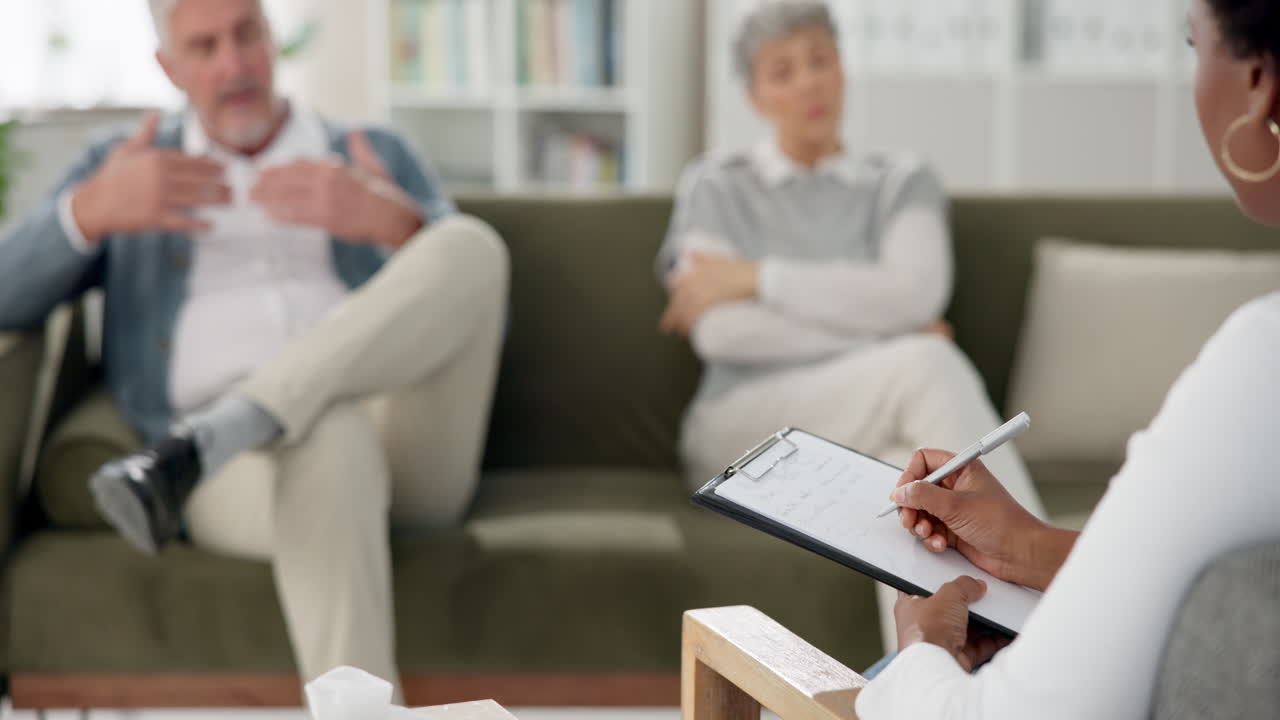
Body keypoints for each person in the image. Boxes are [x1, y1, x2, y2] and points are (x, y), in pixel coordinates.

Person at [0, 0, 508, 692]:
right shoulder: (125, 164)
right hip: (240, 478)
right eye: (204, 46)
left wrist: (394, 224)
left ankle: (225, 424)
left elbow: (475, 317)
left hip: (408, 445)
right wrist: (88, 211)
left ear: (273, 38)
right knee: (328, 429)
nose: (233, 63)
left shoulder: (373, 153)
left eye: (246, 34)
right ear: (167, 66)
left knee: (472, 245)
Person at [857, 0, 1280, 716]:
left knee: (878, 677)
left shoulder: (1260, 367)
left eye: (1192, 45)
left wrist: (918, 647)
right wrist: (1034, 546)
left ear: (1259, 86)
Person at [655, 0, 1044, 650]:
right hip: (743, 426)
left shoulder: (898, 180)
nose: (808, 81)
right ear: (754, 95)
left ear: (842, 68)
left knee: (910, 483)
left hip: (878, 418)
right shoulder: (716, 185)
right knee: (925, 364)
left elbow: (917, 291)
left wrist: (756, 277)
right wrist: (891, 330)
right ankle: (1049, 616)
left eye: (820, 60)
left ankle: (926, 683)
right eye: (783, 71)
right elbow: (722, 333)